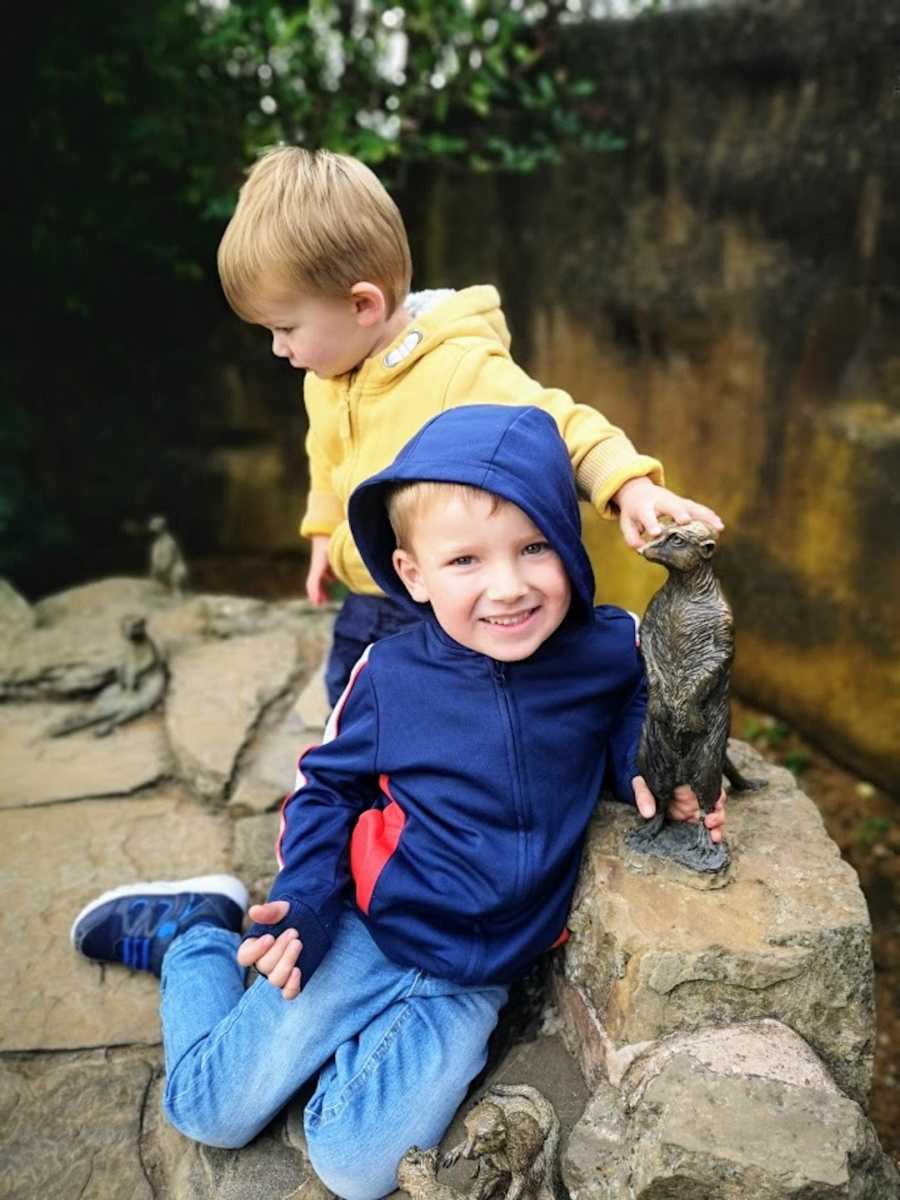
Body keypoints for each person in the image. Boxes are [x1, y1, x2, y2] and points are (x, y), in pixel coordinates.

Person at [71, 405, 725, 1200]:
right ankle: (198, 937)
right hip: (365, 931)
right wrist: (306, 904)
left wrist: (644, 769)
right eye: (466, 562)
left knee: (355, 1168)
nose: (509, 586)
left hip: (474, 979)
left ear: (570, 541)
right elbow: (324, 789)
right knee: (208, 1111)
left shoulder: (604, 649)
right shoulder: (389, 675)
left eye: (535, 547)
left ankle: (344, 1043)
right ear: (412, 573)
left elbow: (634, 703)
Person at [215, 146, 723, 707]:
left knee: (456, 711)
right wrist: (321, 536)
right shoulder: (326, 376)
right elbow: (327, 459)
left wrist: (628, 485)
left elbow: (555, 425)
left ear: (363, 305)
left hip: (449, 604)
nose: (277, 348)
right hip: (370, 595)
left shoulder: (458, 369)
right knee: (353, 694)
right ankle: (361, 781)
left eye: (286, 327)